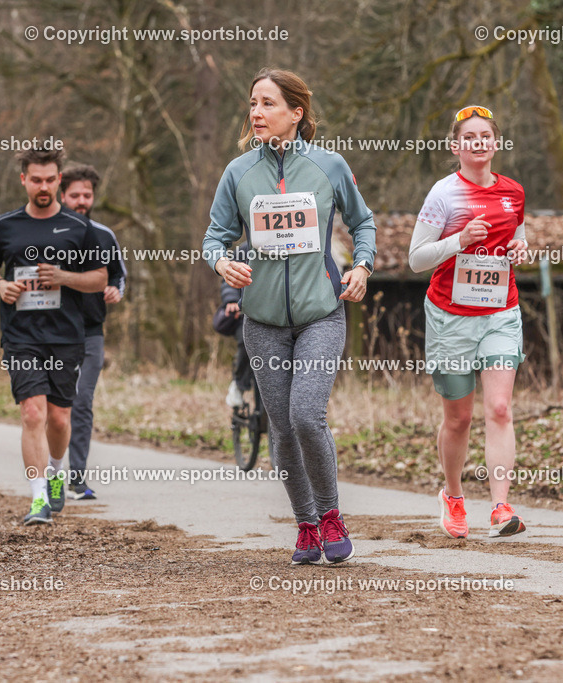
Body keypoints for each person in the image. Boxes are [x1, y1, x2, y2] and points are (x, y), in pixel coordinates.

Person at [203, 68, 376, 565]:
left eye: (267, 104)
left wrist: (361, 266)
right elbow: (215, 236)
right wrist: (221, 260)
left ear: (295, 113)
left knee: (306, 416)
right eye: (252, 104)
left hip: (322, 313)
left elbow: (362, 222)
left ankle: (331, 514)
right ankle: (304, 525)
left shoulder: (329, 166)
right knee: (280, 426)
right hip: (262, 323)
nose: (256, 113)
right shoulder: (237, 173)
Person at [408, 105, 529, 540]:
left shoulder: (513, 191)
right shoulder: (444, 194)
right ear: (455, 146)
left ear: (496, 143)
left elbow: (517, 232)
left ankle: (500, 507)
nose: (479, 143)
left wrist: (521, 247)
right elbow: (416, 258)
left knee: (499, 408)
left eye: (486, 136)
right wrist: (459, 241)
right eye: (469, 137)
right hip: (450, 316)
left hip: (500, 311)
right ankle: (454, 495)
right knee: (459, 418)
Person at [0, 147, 107, 525]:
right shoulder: (5, 225)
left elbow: (100, 277)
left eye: (51, 180)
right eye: (36, 180)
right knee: (32, 413)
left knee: (59, 419)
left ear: (59, 179)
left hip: (66, 335)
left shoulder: (79, 227)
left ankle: (55, 471)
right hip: (21, 335)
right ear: (24, 180)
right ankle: (38, 499)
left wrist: (64, 277)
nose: (44, 187)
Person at [60, 164, 128, 500]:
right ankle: (53, 476)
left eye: (87, 195)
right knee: (56, 406)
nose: (82, 200)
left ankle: (76, 479)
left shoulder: (103, 234)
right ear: (62, 195)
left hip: (91, 332)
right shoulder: (47, 233)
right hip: (52, 334)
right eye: (75, 195)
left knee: (82, 402)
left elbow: (119, 274)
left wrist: (117, 290)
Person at [218, 242, 254, 409]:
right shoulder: (245, 250)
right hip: (245, 313)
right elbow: (229, 279)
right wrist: (231, 300)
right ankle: (238, 385)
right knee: (247, 343)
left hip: (280, 315)